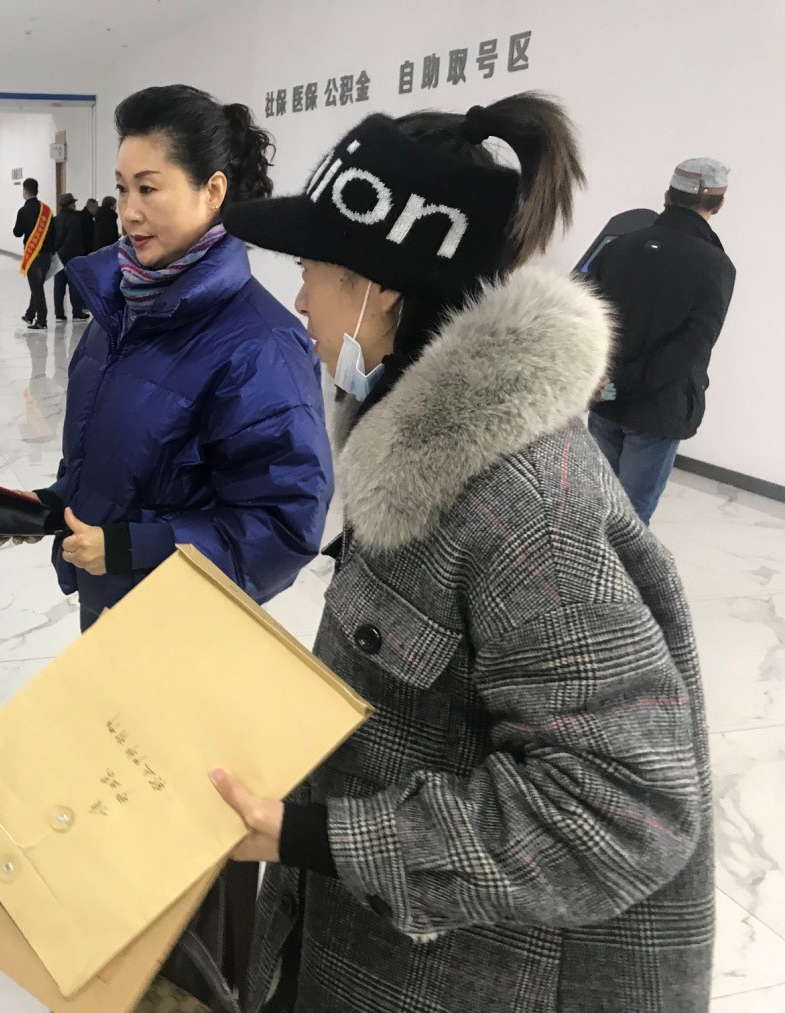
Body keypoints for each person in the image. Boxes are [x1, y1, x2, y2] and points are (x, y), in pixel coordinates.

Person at [217, 93, 714, 1012]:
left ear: (379, 286)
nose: (300, 299)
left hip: (451, 976)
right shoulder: (421, 456)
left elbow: (626, 809)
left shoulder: (523, 506)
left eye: (311, 269)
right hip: (357, 940)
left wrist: (319, 837)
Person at [5, 84, 332, 631]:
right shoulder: (119, 311)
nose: (128, 212)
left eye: (148, 189)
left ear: (213, 191)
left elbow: (283, 526)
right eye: (121, 188)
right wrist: (48, 505)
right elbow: (117, 468)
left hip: (183, 626)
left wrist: (132, 547)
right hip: (109, 602)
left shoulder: (261, 346)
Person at [586, 158, 736, 523]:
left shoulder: (617, 247)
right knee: (631, 521)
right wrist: (628, 383)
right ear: (718, 205)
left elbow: (586, 320)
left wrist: (607, 383)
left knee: (596, 507)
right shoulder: (715, 266)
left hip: (604, 398)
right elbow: (691, 347)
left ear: (667, 196)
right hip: (656, 409)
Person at [14, 176, 55, 329]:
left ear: (25, 191)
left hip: (33, 256)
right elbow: (54, 233)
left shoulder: (23, 211)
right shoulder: (47, 211)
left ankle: (42, 321)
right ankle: (30, 315)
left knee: (37, 289)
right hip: (47, 255)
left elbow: (17, 232)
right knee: (37, 286)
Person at [52, 192, 89, 321]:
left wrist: (56, 253)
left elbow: (53, 240)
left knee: (58, 286)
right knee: (74, 286)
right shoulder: (75, 220)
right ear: (71, 205)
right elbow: (73, 240)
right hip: (72, 257)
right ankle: (77, 313)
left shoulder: (55, 220)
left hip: (58, 257)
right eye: (74, 203)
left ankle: (59, 314)